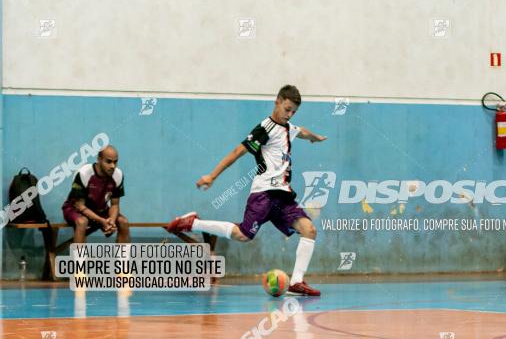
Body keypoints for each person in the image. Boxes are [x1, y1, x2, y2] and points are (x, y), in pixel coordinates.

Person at [165, 85, 327, 296]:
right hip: (264, 194)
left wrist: (314, 137)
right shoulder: (264, 129)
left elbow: (301, 130)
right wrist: (212, 176)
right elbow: (237, 152)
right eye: (287, 109)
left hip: (283, 197)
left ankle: (296, 282)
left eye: (294, 112)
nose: (290, 114)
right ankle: (192, 222)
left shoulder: (288, 128)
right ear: (277, 101)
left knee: (309, 230)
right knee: (243, 235)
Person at [62, 145, 130, 243]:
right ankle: (79, 258)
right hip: (75, 209)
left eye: (115, 162)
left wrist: (111, 221)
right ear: (99, 159)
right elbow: (80, 206)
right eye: (108, 161)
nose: (113, 166)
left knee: (123, 222)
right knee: (82, 222)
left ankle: (123, 258)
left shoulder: (118, 175)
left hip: (100, 211)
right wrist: (101, 221)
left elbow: (115, 204)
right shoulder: (84, 173)